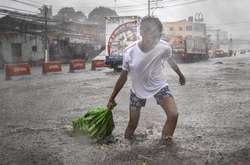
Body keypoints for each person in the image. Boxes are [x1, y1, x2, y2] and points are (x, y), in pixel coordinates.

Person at [107, 16, 186, 144]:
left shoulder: (164, 47)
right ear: (142, 33)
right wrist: (111, 98)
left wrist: (180, 75)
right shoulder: (130, 52)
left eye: (158, 36)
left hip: (159, 86)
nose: (156, 40)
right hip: (137, 90)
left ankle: (165, 146)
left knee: (173, 115)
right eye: (153, 36)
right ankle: (127, 148)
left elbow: (170, 60)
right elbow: (123, 77)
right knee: (132, 125)